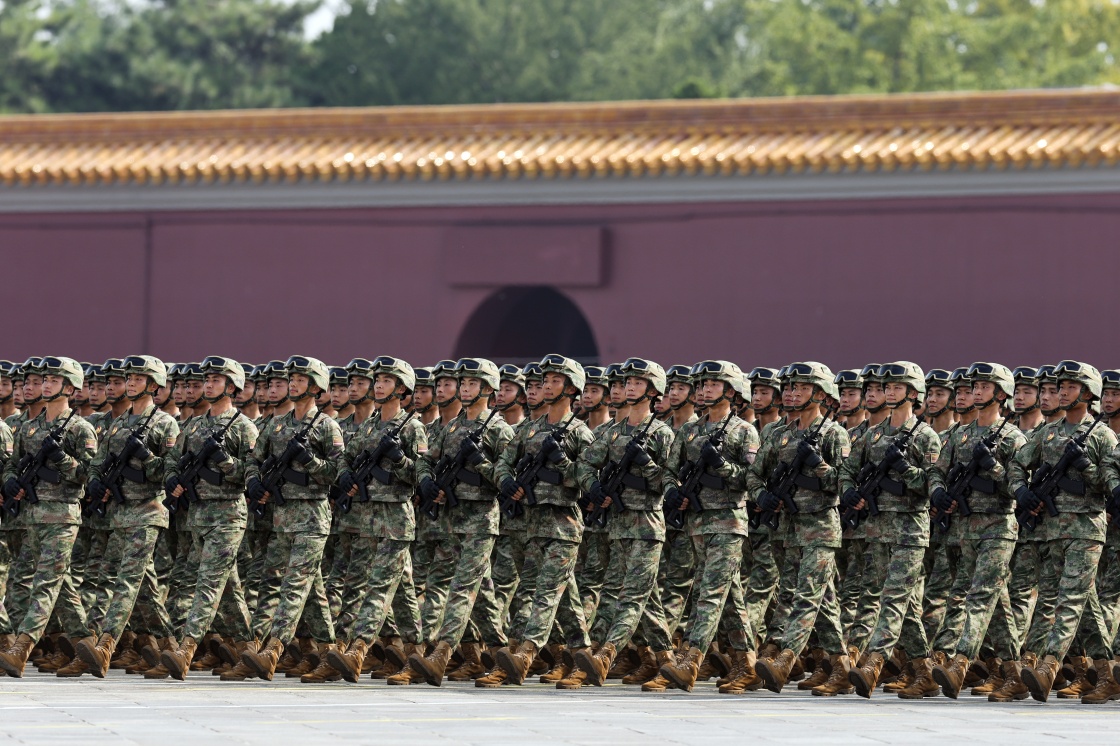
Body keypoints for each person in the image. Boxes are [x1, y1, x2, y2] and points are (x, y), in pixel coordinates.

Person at [1011, 361, 1116, 702]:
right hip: (1052, 530)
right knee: (1085, 607)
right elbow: (1017, 463)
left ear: (1088, 392)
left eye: (1070, 387)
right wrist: (1020, 491)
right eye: (1061, 387)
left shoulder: (1101, 435)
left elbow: (1110, 484)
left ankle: (1048, 666)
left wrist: (1086, 467)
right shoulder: (1048, 432)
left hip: (1086, 529)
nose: (1062, 392)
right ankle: (1105, 675)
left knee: (1068, 601)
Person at [240, 356, 344, 681]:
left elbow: (338, 475)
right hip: (282, 517)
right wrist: (254, 482)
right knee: (293, 588)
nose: (293, 384)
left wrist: (310, 461)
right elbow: (253, 460)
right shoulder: (277, 425)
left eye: (300, 380)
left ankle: (272, 650)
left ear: (316, 386)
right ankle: (327, 655)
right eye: (292, 379)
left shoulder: (326, 426)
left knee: (294, 585)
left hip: (313, 517)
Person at [659, 361, 760, 693]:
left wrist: (723, 467)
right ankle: (747, 665)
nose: (703, 390)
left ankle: (690, 659)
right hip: (698, 523)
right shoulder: (689, 431)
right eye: (701, 385)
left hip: (729, 522)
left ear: (730, 391)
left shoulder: (744, 431)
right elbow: (670, 470)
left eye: (712, 385)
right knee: (728, 597)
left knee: (710, 594)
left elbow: (752, 479)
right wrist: (673, 491)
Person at [573, 358, 676, 686]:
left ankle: (604, 655)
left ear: (653, 391)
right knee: (640, 598)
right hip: (618, 527)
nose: (629, 387)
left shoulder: (662, 434)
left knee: (631, 596)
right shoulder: (612, 432)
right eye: (627, 382)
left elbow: (669, 482)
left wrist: (646, 464)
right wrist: (595, 487)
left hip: (647, 527)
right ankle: (667, 663)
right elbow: (584, 464)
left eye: (637, 382)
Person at [926, 363, 1026, 698]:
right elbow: (937, 471)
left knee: (979, 596)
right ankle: (1013, 674)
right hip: (964, 528)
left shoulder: (1013, 437)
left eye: (985, 387)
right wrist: (938, 492)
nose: (977, 392)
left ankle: (960, 662)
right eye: (975, 387)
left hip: (998, 527)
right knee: (996, 603)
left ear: (1001, 394)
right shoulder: (960, 435)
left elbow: (1018, 486)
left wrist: (993, 466)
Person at [76, 356, 180, 678]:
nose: (131, 383)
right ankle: (170, 649)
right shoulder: (118, 423)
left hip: (147, 511)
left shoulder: (165, 424)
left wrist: (145, 457)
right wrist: (95, 481)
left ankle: (104, 645)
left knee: (126, 581)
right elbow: (98, 462)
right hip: (119, 514)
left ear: (153, 384)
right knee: (137, 586)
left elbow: (170, 473)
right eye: (129, 378)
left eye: (138, 378)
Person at [749, 362, 850, 693]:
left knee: (807, 595)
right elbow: (754, 474)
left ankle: (784, 660)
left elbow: (844, 482)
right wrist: (763, 495)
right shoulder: (778, 434)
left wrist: (818, 466)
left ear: (820, 394)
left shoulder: (833, 434)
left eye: (802, 388)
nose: (792, 394)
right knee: (820, 601)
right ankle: (841, 668)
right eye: (790, 387)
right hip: (787, 529)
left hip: (820, 528)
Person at [327, 358, 427, 683]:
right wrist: (345, 475)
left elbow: (421, 475)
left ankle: (357, 650)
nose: (379, 385)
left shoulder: (412, 427)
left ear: (402, 388)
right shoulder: (369, 426)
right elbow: (344, 457)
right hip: (367, 518)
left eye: (386, 381)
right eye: (378, 380)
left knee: (379, 587)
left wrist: (399, 458)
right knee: (400, 593)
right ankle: (416, 655)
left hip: (396, 517)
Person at [160, 357, 259, 680]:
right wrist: (173, 480)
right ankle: (250, 652)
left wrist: (225, 461)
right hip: (198, 514)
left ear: (232, 386)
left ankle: (185, 649)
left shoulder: (244, 427)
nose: (208, 385)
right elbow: (172, 460)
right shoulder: (194, 426)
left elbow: (251, 474)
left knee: (207, 582)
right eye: (208, 380)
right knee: (226, 588)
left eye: (216, 380)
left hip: (228, 514)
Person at [0, 357, 96, 677]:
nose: (45, 385)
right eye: (44, 380)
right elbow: (13, 464)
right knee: (61, 586)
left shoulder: (80, 428)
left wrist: (62, 459)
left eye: (53, 380)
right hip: (33, 516)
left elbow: (88, 476)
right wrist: (10, 481)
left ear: (70, 387)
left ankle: (20, 648)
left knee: (45, 583)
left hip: (62, 517)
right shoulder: (30, 427)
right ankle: (87, 648)